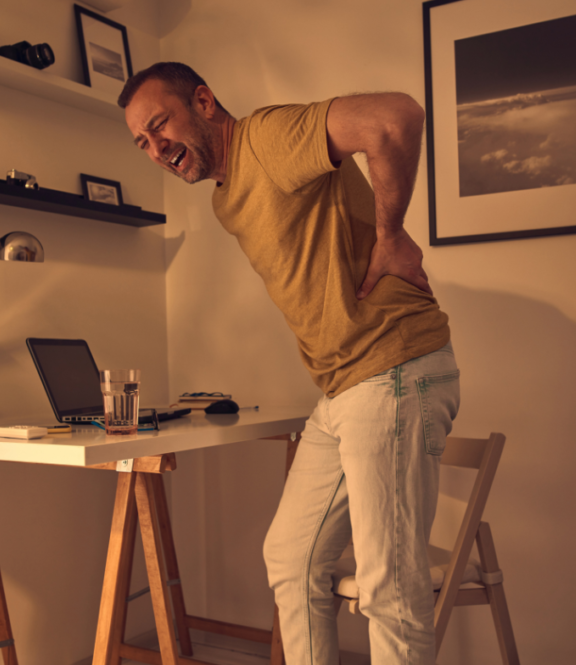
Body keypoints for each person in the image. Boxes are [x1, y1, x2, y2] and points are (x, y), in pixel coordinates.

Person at [119, 62, 460, 665]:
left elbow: (394, 118)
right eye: (142, 142)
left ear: (203, 101)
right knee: (291, 556)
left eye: (159, 125)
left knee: (388, 586)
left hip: (391, 368)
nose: (155, 148)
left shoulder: (267, 139)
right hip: (345, 388)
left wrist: (391, 233)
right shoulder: (229, 197)